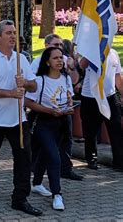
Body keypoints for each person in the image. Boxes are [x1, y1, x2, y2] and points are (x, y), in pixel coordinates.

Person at [0, 20, 42, 216]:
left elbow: (34, 86)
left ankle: (20, 197)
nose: (13, 36)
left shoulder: (21, 59)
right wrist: (10, 93)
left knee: (24, 157)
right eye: (8, 33)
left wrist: (25, 83)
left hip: (17, 118)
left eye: (14, 33)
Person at [25, 47, 74, 211]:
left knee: (46, 155)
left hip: (61, 122)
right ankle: (57, 194)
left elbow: (68, 98)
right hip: (44, 122)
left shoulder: (66, 78)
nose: (60, 61)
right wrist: (48, 110)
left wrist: (69, 107)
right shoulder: (40, 81)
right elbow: (28, 102)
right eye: (55, 58)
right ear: (47, 62)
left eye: (61, 58)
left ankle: (37, 183)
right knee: (54, 157)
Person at [30, 33, 82, 181]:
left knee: (67, 140)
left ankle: (65, 169)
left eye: (60, 45)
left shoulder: (64, 60)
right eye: (55, 45)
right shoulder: (37, 62)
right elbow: (34, 87)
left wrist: (71, 68)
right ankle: (36, 170)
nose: (59, 48)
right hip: (44, 111)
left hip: (64, 109)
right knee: (41, 144)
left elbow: (73, 82)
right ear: (46, 46)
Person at [80, 48, 123, 171]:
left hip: (110, 96)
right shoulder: (89, 51)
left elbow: (118, 76)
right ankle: (92, 159)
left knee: (115, 129)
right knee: (90, 131)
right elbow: (81, 65)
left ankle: (119, 162)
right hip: (90, 96)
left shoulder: (114, 53)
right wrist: (92, 50)